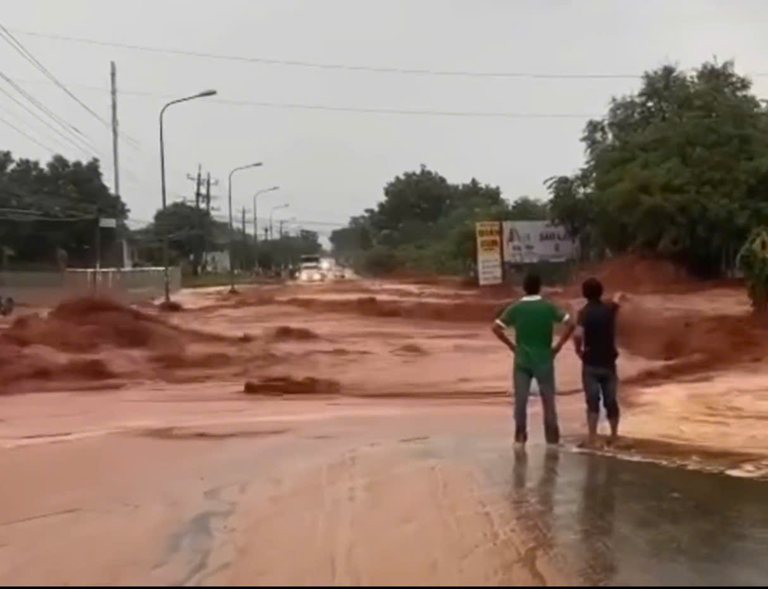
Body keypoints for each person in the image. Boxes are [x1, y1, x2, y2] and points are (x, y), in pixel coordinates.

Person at [492, 273, 575, 446]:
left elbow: (496, 327)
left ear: (524, 288)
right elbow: (570, 323)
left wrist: (512, 346)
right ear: (540, 287)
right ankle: (552, 442)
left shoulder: (516, 307)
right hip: (544, 359)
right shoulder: (548, 307)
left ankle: (520, 438)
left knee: (520, 402)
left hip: (522, 360)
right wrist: (558, 346)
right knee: (548, 401)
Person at [573, 277, 624, 448]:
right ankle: (614, 436)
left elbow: (578, 335)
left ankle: (592, 438)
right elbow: (617, 302)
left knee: (592, 401)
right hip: (609, 362)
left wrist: (578, 350)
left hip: (590, 363)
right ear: (601, 292)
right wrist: (619, 295)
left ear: (584, 294)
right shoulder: (609, 309)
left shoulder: (583, 313)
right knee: (611, 400)